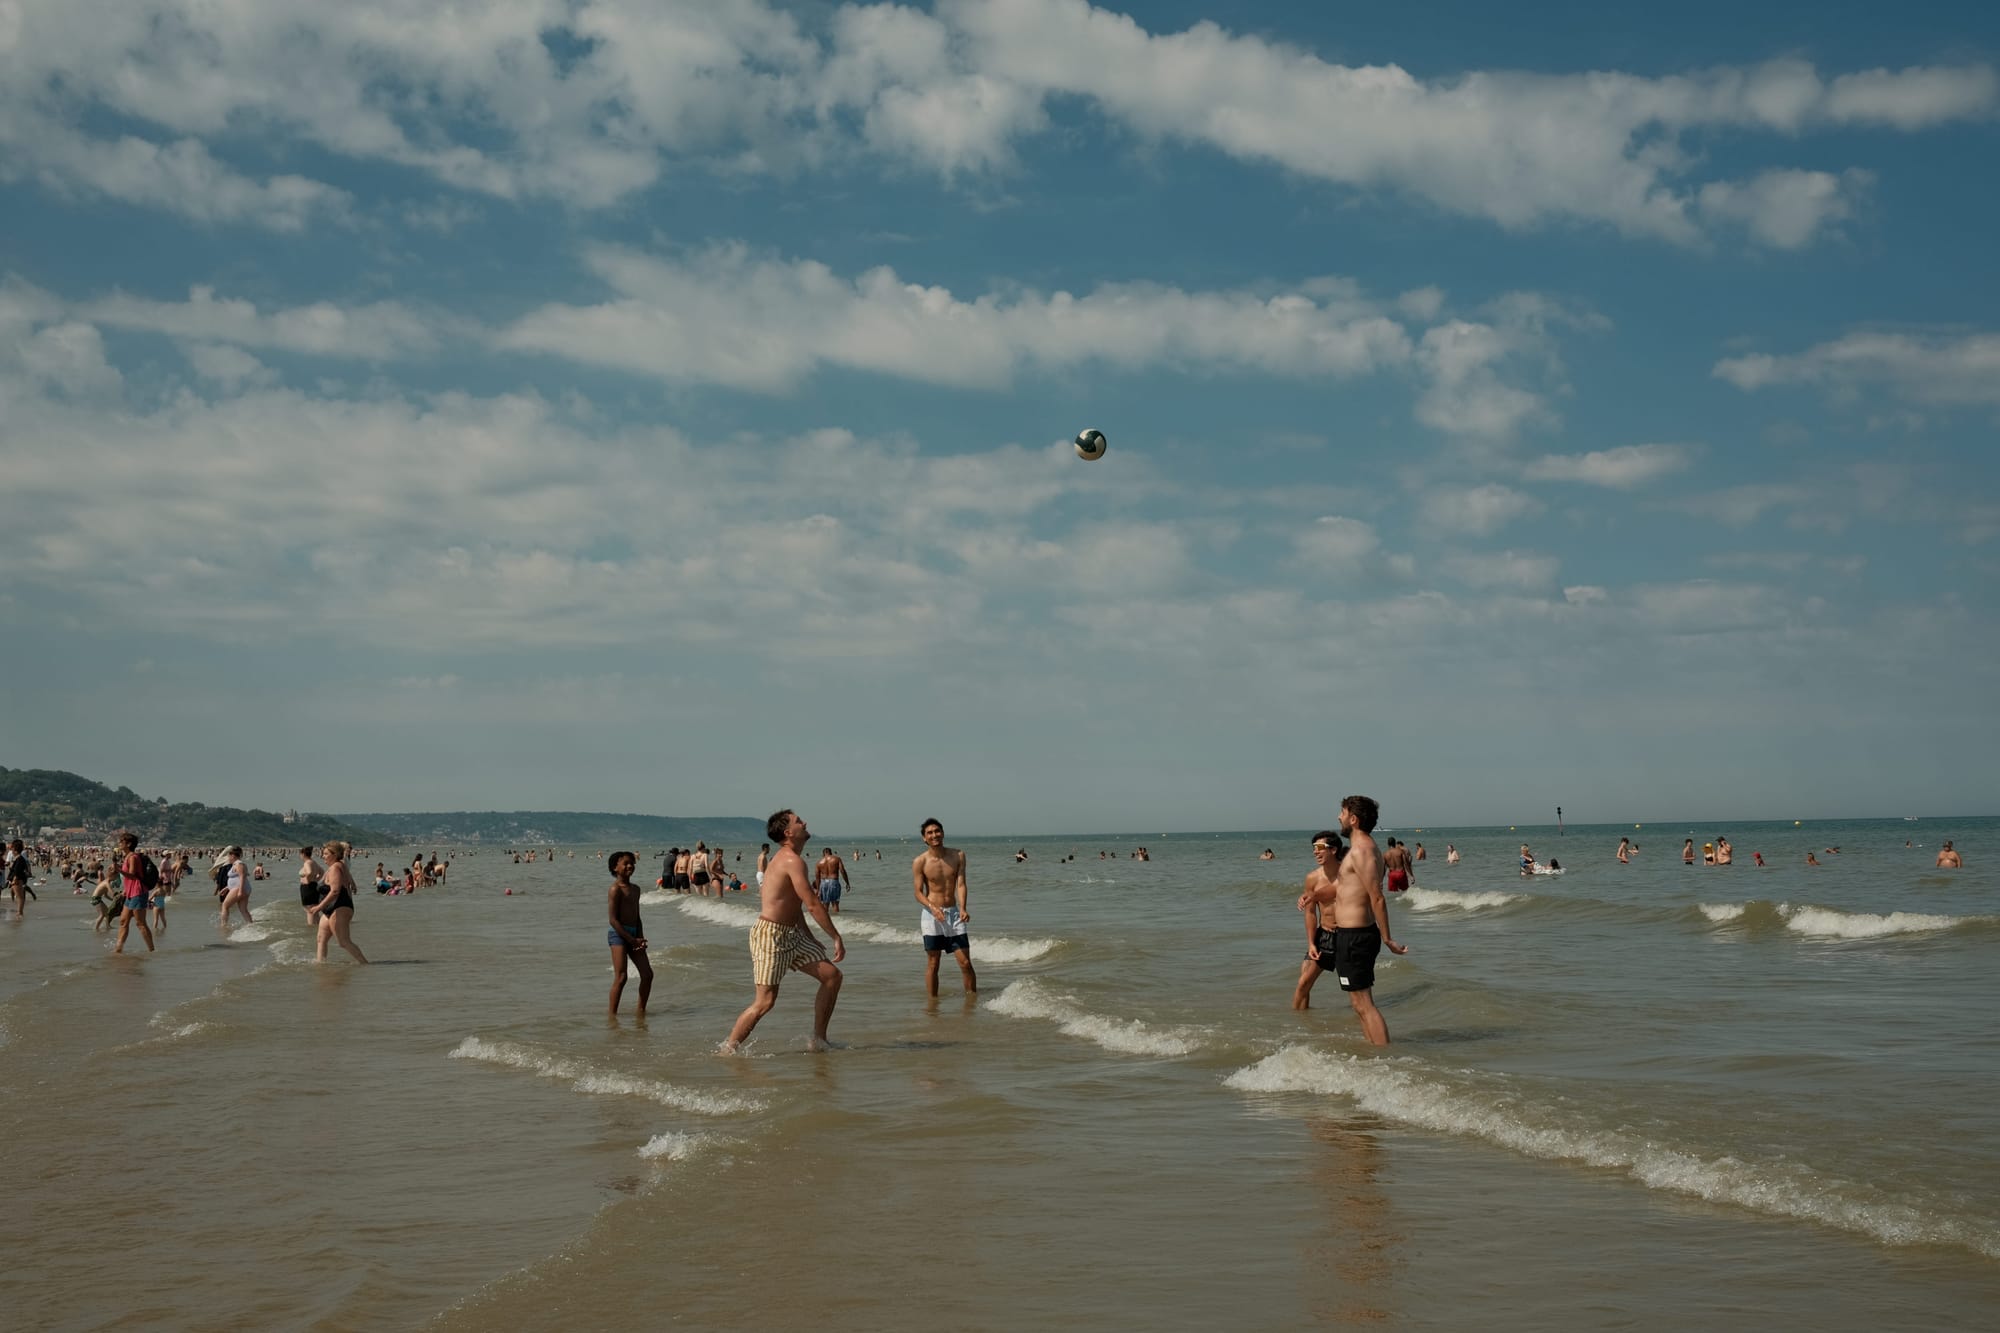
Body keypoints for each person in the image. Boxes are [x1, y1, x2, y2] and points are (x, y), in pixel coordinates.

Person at [722, 810, 844, 1052]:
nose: (805, 822)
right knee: (765, 1002)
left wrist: (809, 937)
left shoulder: (792, 860)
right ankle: (728, 1049)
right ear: (788, 832)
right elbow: (812, 903)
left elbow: (794, 904)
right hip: (770, 936)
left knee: (832, 977)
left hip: (792, 935)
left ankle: (818, 1040)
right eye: (799, 821)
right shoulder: (790, 860)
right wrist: (836, 937)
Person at [1294, 798, 1407, 1043]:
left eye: (1342, 813)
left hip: (1356, 936)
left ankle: (1385, 1057)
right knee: (1358, 1004)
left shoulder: (1362, 851)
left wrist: (1388, 938)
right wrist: (1313, 896)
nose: (1339, 817)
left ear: (1353, 819)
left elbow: (1377, 897)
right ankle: (1376, 1056)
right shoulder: (1358, 852)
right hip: (1348, 936)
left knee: (1363, 1003)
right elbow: (1343, 889)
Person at [913, 818, 975, 996]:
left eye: (937, 831)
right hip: (931, 916)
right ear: (924, 838)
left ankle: (971, 1002)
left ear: (943, 833)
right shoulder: (920, 861)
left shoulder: (958, 855)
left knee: (965, 963)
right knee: (933, 963)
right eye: (930, 833)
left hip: (954, 914)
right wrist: (933, 908)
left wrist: (963, 908)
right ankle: (933, 1005)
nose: (934, 835)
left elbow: (961, 884)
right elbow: (918, 892)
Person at [605, 851, 651, 1017]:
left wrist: (640, 938)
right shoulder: (615, 889)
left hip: (633, 935)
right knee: (621, 977)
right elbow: (613, 920)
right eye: (625, 863)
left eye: (632, 863)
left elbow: (637, 917)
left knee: (647, 974)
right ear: (615, 868)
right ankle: (612, 1016)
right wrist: (630, 939)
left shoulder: (636, 889)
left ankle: (641, 1012)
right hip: (618, 935)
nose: (630, 866)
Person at [308, 841, 368, 963]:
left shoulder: (336, 867)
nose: (322, 856)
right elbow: (347, 876)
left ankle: (365, 964)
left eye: (325, 854)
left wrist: (319, 907)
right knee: (321, 939)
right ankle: (321, 965)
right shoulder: (336, 866)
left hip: (339, 907)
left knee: (343, 941)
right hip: (330, 908)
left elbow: (335, 891)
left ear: (334, 854)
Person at [114, 832, 156, 954]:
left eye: (121, 841)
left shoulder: (133, 857)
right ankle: (118, 949)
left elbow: (132, 875)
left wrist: (119, 870)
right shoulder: (127, 857)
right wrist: (125, 891)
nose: (119, 843)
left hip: (138, 892)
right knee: (123, 921)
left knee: (140, 923)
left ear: (129, 844)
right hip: (130, 893)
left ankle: (152, 950)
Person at [218, 845, 253, 927]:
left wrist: (240, 891)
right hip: (241, 888)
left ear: (233, 856)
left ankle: (223, 925)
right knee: (243, 910)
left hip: (239, 888)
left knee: (225, 906)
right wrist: (227, 888)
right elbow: (236, 878)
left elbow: (242, 877)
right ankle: (250, 925)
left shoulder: (238, 864)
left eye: (229, 856)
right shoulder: (237, 864)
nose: (228, 859)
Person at [815, 846, 850, 915]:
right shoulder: (836, 859)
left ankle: (827, 923)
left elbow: (817, 877)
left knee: (825, 905)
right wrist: (847, 883)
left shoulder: (819, 862)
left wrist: (818, 890)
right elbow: (842, 871)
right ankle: (837, 922)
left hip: (823, 883)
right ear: (831, 853)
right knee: (835, 904)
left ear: (823, 854)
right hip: (833, 882)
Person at [6, 838, 33, 916]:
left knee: (20, 897)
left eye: (12, 849)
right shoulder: (17, 858)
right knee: (19, 896)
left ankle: (20, 912)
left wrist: (14, 879)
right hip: (16, 879)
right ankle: (19, 911)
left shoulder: (19, 859)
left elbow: (17, 871)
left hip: (17, 880)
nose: (11, 850)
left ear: (15, 849)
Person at [297, 844, 324, 921]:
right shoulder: (313, 862)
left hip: (307, 887)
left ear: (303, 854)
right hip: (314, 886)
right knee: (314, 909)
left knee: (309, 910)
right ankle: (317, 927)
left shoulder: (307, 863)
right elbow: (322, 872)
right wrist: (316, 880)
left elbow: (309, 872)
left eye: (300, 855)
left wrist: (308, 880)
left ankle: (311, 928)